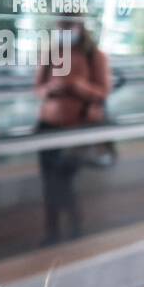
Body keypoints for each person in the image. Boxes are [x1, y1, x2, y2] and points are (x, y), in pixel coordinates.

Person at [35, 17, 113, 243]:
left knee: (62, 180)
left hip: (77, 128)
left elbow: (103, 92)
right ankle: (53, 231)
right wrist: (52, 88)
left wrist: (79, 85)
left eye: (68, 27)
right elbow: (38, 88)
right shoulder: (52, 53)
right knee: (49, 180)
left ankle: (74, 226)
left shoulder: (94, 56)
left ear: (79, 27)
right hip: (47, 126)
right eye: (61, 27)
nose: (63, 32)